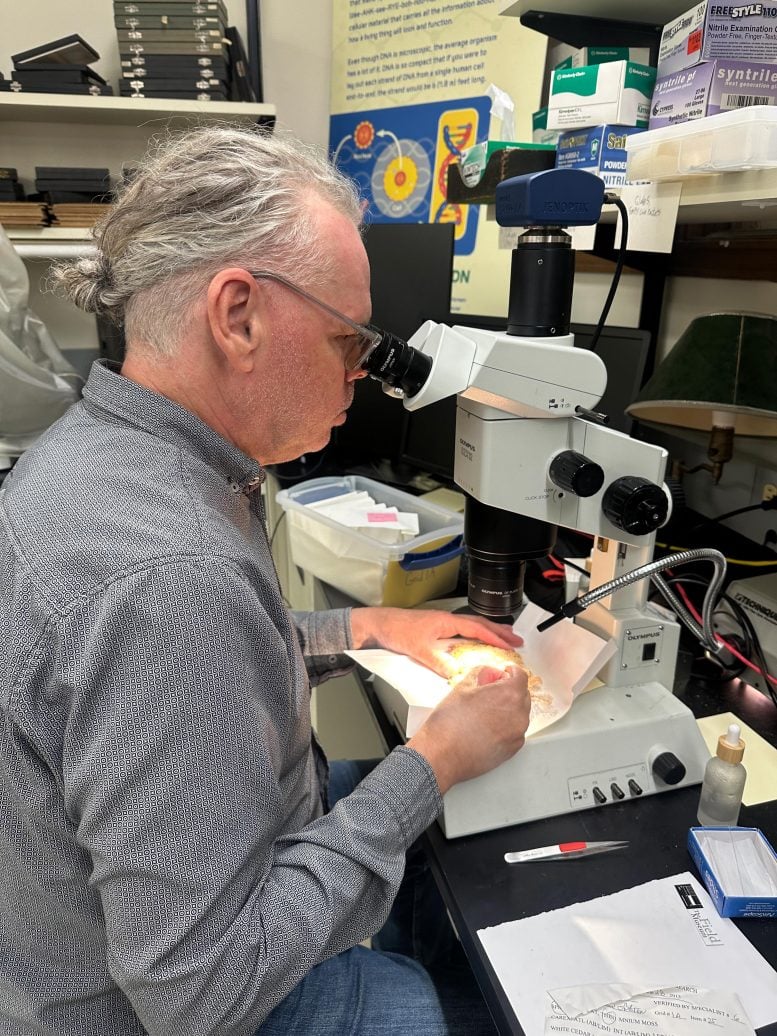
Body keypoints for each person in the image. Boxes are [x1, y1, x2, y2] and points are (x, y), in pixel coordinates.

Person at [0, 125, 531, 1036]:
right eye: (347, 341)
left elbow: (178, 670)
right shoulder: (168, 577)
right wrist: (433, 763)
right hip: (149, 1009)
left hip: (61, 943)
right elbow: (201, 996)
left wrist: (360, 630)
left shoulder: (95, 458)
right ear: (237, 314)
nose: (362, 378)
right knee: (424, 992)